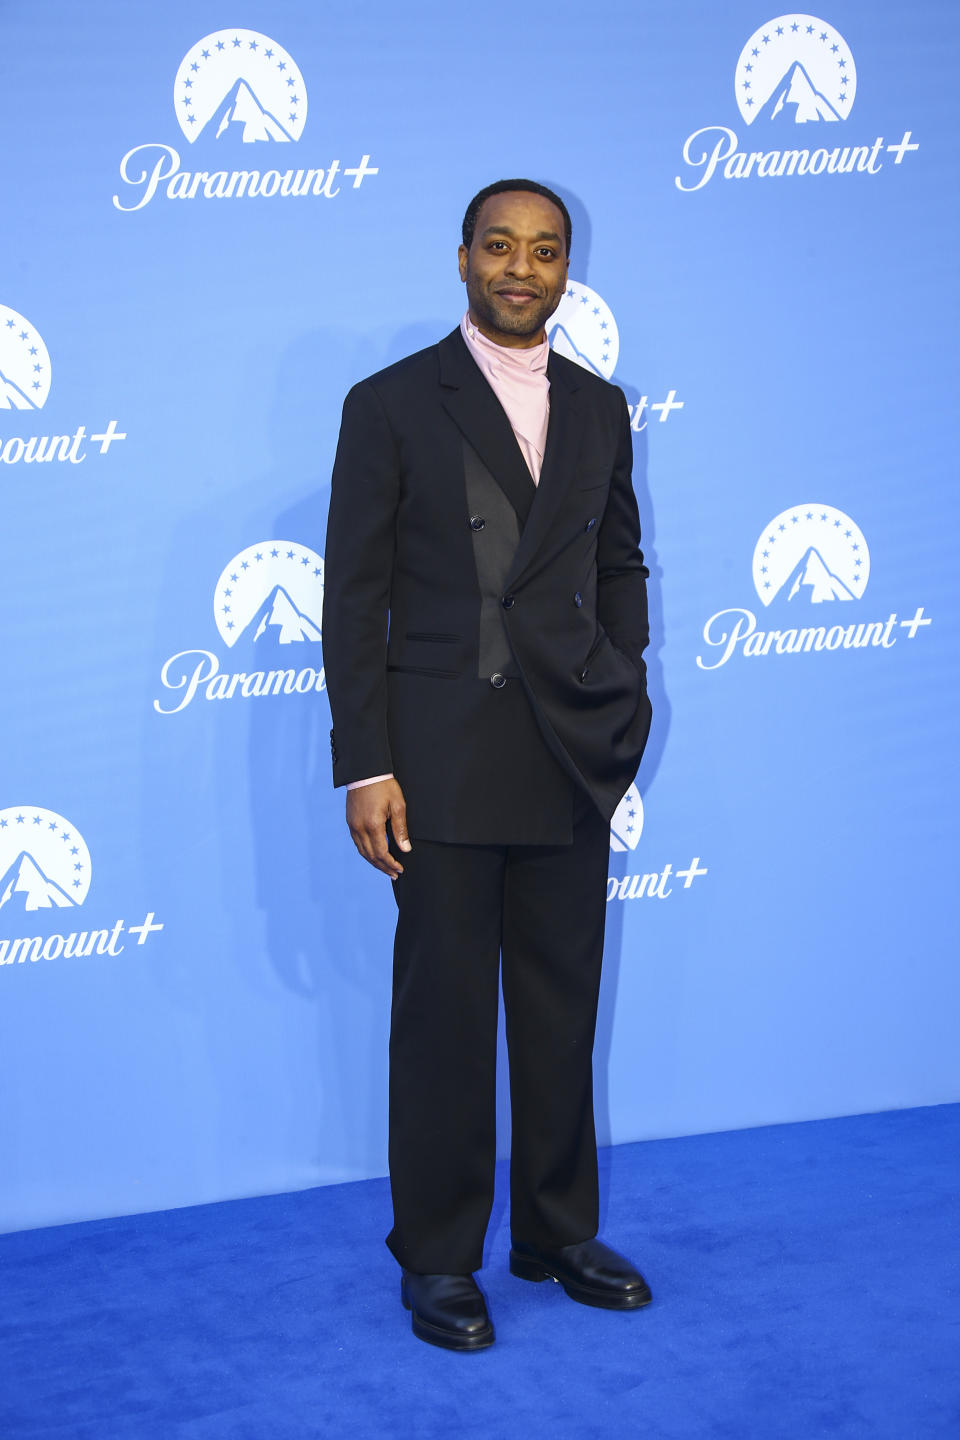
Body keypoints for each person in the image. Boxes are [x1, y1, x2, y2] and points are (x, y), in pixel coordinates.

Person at [323, 179, 653, 1351]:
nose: (524, 268)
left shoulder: (604, 407)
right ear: (461, 258)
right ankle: (440, 1257)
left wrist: (623, 688)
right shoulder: (393, 403)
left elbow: (623, 563)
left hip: (570, 750)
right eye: (502, 247)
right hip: (441, 759)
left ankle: (557, 1232)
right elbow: (353, 598)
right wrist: (365, 762)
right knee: (448, 1019)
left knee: (562, 1010)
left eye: (547, 250)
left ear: (569, 270)